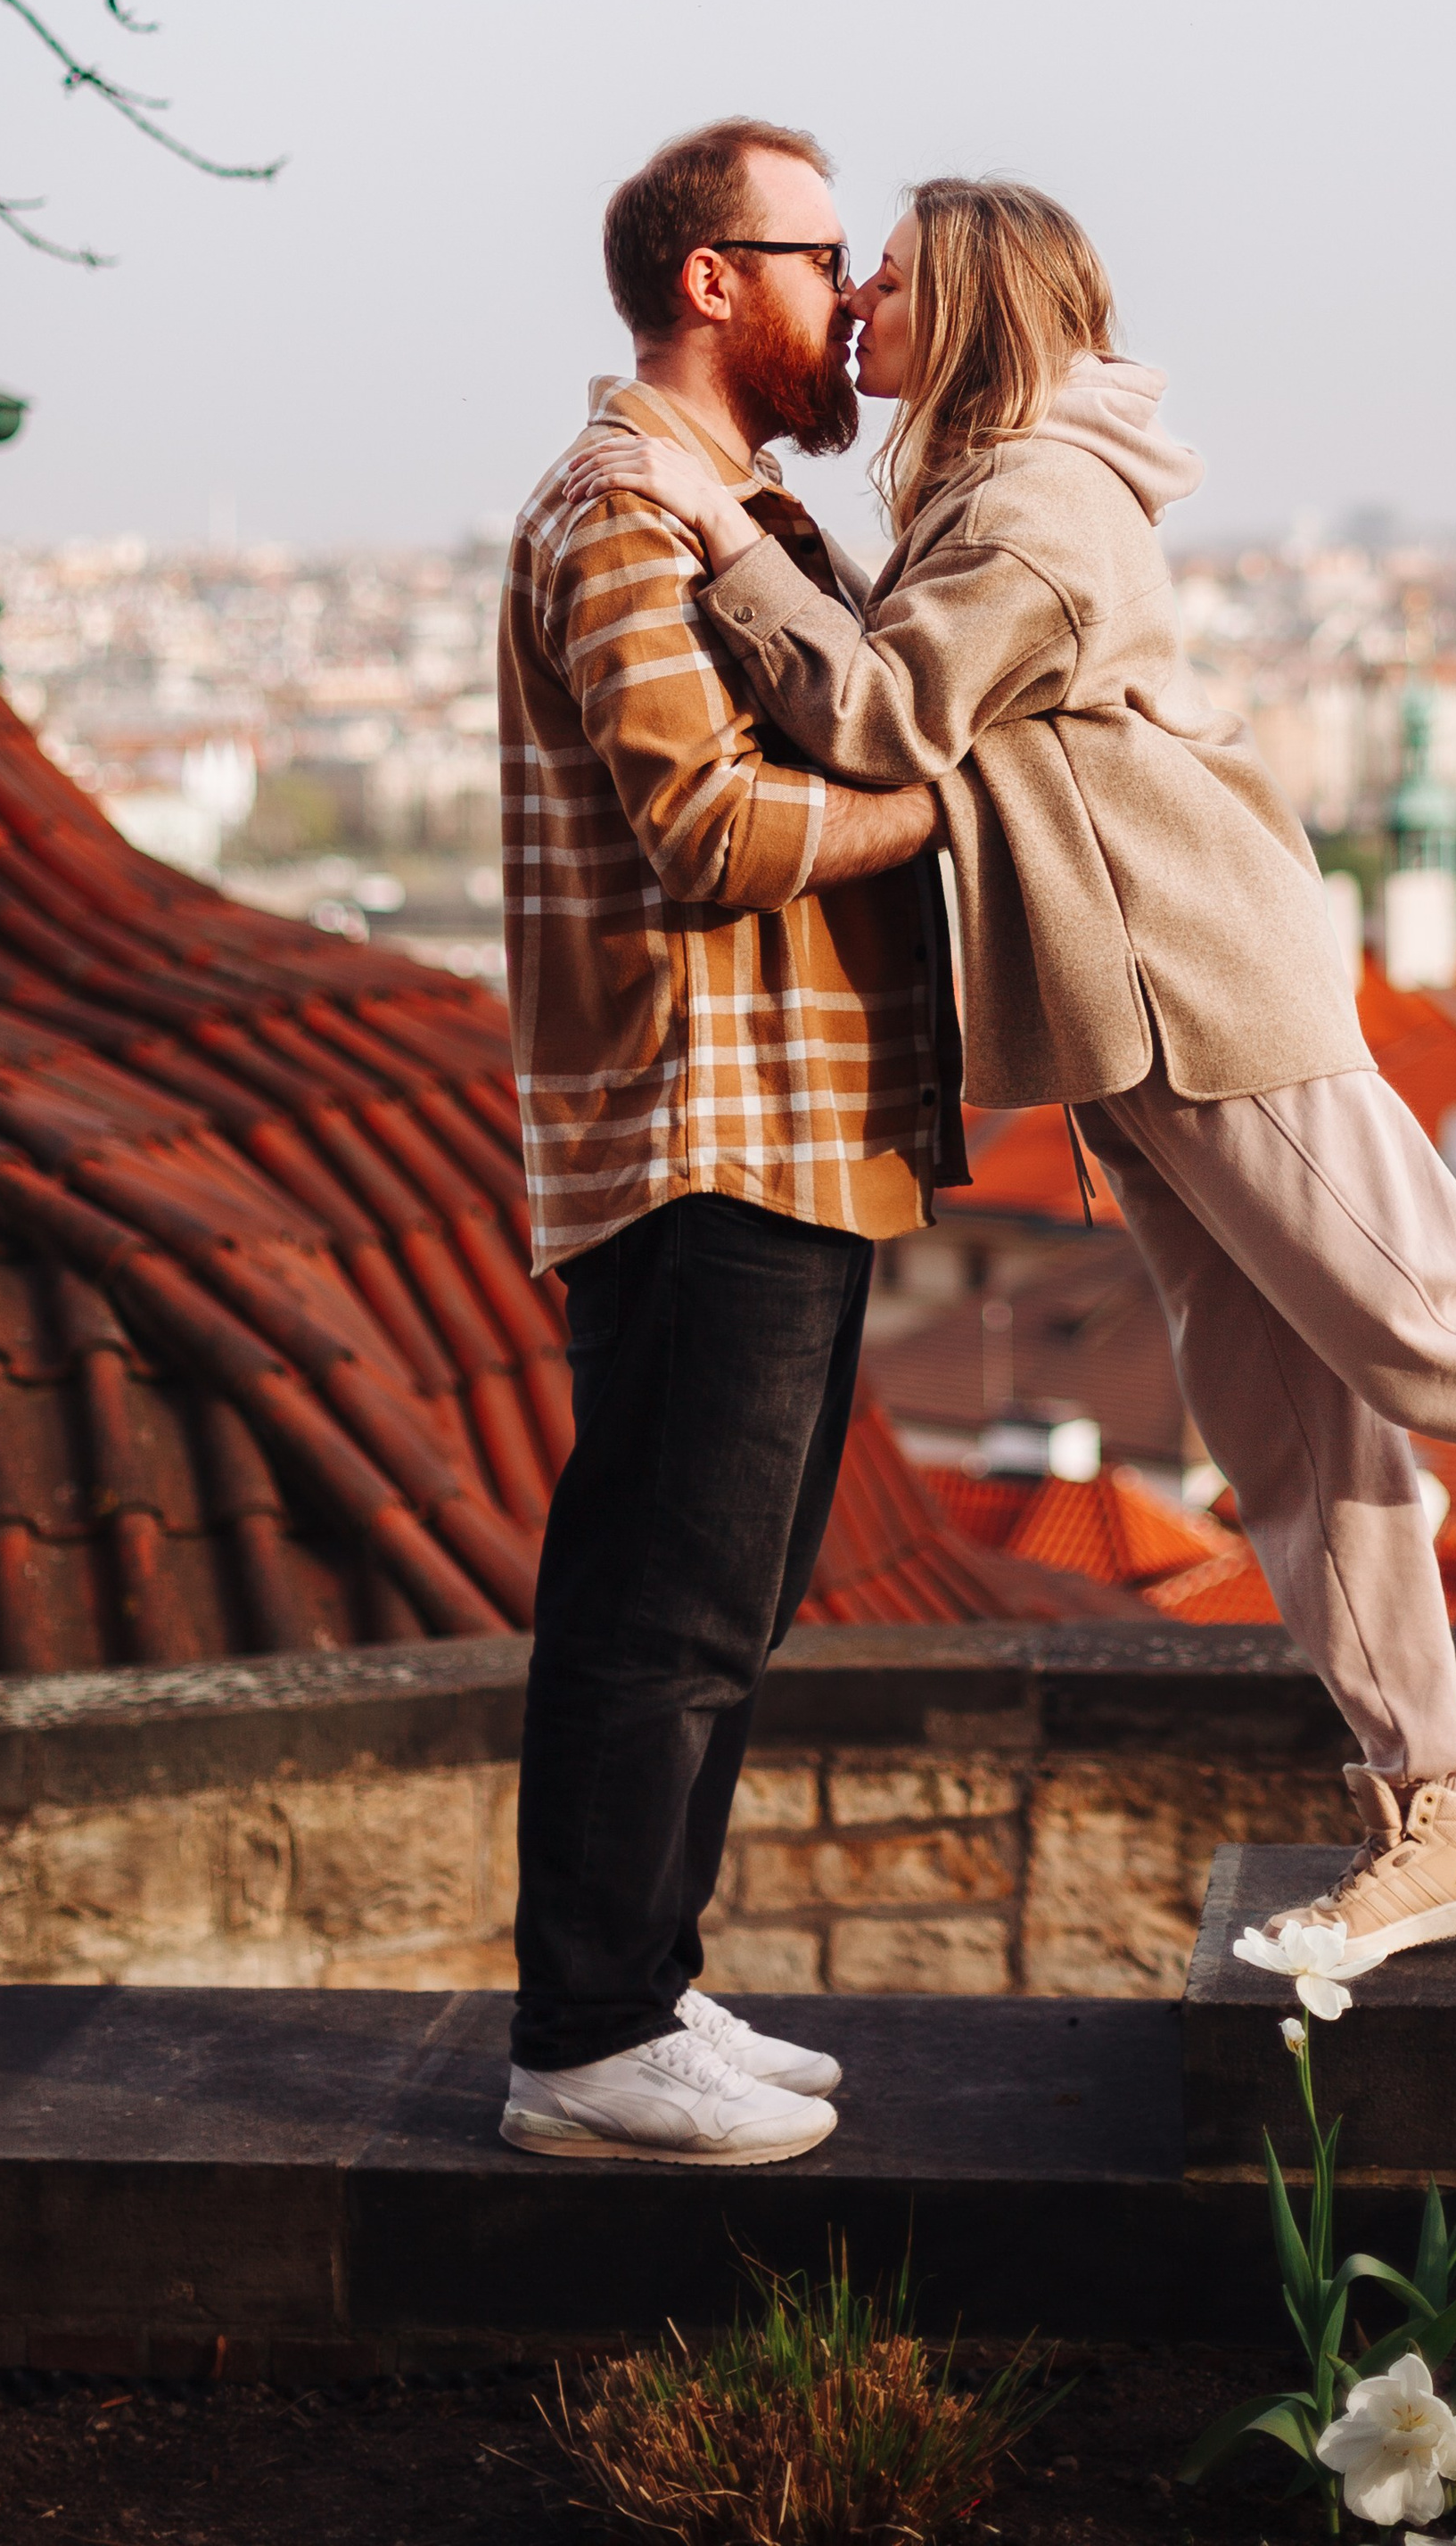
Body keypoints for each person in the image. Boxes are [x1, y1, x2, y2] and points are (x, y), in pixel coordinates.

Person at [569, 174, 1456, 1979]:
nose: (857, 304)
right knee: (1290, 1438)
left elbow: (878, 717)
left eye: (883, 279)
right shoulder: (991, 482)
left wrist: (716, 536)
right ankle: (1435, 1815)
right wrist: (771, 538)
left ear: (962, 307)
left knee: (1434, 1326)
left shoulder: (1031, 502)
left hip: (1201, 986)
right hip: (1135, 1023)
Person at [497, 118, 965, 2163]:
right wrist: (957, 807)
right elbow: (700, 832)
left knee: (726, 1589)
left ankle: (644, 1981)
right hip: (705, 1122)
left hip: (787, 1121)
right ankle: (587, 2037)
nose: (850, 303)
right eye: (821, 257)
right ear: (712, 280)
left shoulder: (732, 512)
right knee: (662, 1599)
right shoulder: (624, 512)